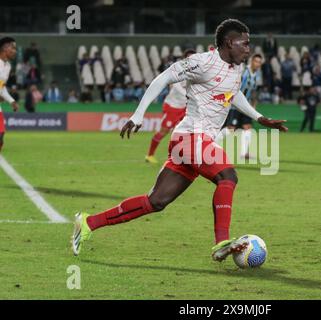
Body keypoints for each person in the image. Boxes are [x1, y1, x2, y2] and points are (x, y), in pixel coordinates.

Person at [71, 19, 288, 262]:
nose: (248, 49)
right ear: (229, 43)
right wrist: (139, 114)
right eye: (245, 44)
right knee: (228, 176)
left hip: (194, 144)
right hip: (191, 137)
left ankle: (88, 222)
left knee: (156, 201)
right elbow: (162, 78)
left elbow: (233, 93)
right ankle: (221, 243)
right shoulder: (202, 62)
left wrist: (259, 117)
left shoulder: (236, 68)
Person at [145, 49, 196, 164]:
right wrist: (189, 96)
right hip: (172, 106)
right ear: (185, 58)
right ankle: (150, 155)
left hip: (185, 107)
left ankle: (181, 156)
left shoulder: (196, 71)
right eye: (189, 57)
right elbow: (174, 86)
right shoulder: (179, 69)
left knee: (186, 132)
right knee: (164, 131)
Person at [216, 53, 263, 159]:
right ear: (252, 62)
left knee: (247, 127)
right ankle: (212, 144)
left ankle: (244, 153)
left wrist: (253, 106)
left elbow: (254, 91)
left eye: (260, 62)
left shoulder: (257, 75)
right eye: (256, 61)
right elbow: (232, 86)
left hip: (245, 107)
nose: (258, 64)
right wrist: (226, 103)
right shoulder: (244, 72)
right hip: (235, 106)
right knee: (230, 129)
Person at [0, 37, 19, 153]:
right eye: (13, 48)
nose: (15, 51)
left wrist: (11, 101)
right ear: (5, 48)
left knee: (0, 136)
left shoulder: (7, 66)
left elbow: (1, 87)